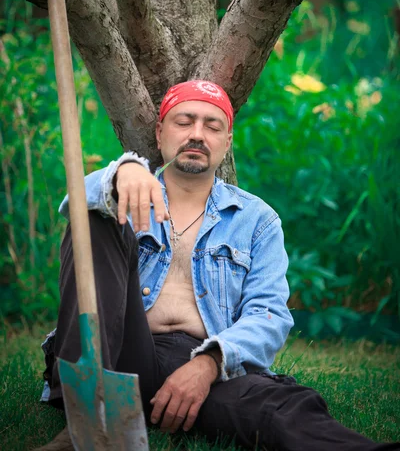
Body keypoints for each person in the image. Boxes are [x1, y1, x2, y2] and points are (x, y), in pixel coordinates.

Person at [37, 80, 399, 450]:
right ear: (160, 132)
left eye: (213, 126)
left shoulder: (257, 220)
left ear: (226, 143)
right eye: (185, 122)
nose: (197, 135)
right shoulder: (127, 193)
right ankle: (88, 415)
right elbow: (75, 202)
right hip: (120, 353)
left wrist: (208, 363)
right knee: (95, 217)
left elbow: (268, 314)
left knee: (277, 408)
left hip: (205, 363)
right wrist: (123, 170)